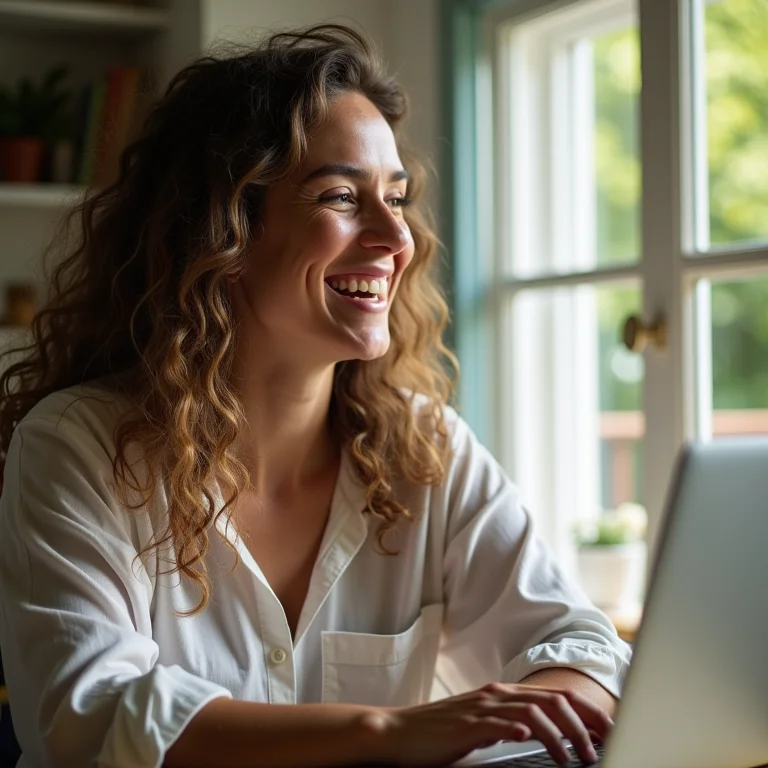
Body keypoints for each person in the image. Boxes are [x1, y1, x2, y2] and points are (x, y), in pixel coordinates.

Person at [0, 25, 631, 768]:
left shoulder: (424, 447)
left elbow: (583, 645)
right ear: (220, 230)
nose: (396, 237)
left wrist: (550, 701)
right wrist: (388, 732)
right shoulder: (77, 448)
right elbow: (92, 719)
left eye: (396, 198)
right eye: (340, 196)